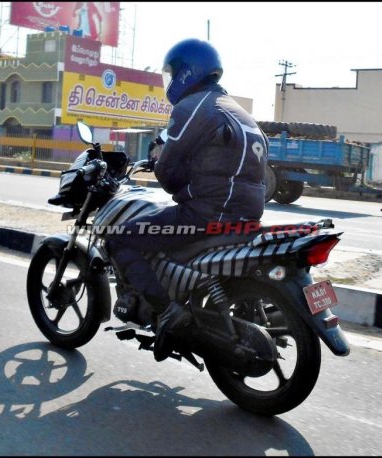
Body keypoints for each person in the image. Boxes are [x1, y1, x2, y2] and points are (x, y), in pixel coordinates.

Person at [105, 38, 268, 362]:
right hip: (247, 216)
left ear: (186, 72)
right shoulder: (241, 113)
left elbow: (167, 175)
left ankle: (167, 312)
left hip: (207, 216)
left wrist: (163, 165)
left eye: (173, 73)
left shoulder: (192, 107)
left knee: (119, 237)